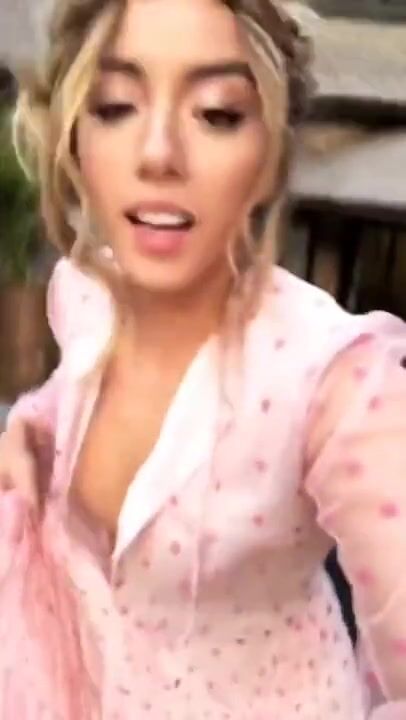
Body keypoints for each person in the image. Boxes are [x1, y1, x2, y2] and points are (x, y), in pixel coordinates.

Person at [1, 0, 406, 717]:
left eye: (217, 113)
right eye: (116, 106)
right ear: (75, 137)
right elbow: (69, 395)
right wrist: (30, 433)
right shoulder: (84, 293)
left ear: (269, 155)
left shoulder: (332, 381)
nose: (158, 152)